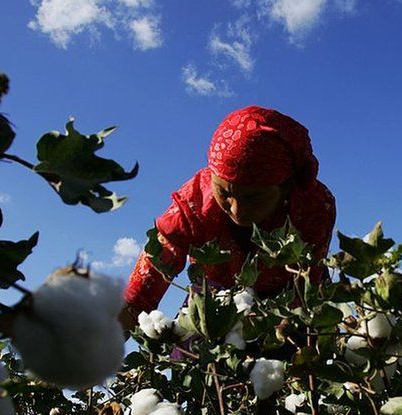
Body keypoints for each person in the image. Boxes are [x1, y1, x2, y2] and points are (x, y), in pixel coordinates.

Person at [121, 106, 337, 329]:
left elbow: (307, 287)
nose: (237, 210)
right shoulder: (193, 203)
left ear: (286, 187)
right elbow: (139, 295)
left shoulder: (315, 206)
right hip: (211, 305)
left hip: (287, 307)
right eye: (224, 193)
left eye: (253, 198)